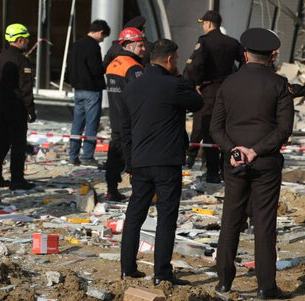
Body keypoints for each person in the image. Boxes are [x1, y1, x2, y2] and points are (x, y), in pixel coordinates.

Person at [210, 28, 293, 300]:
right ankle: (265, 286)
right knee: (264, 223)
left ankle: (224, 280)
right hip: (266, 162)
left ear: (245, 54)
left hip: (234, 162)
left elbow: (216, 128)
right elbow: (284, 130)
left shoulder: (228, 84)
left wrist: (234, 150)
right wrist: (255, 151)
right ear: (271, 56)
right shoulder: (279, 84)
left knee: (230, 219)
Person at [120, 39, 203, 285]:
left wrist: (130, 162)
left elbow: (125, 129)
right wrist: (181, 79)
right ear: (169, 59)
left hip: (140, 160)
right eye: (176, 60)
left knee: (134, 215)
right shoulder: (173, 84)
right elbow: (197, 102)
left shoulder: (132, 87)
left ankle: (127, 268)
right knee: (166, 217)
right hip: (167, 161)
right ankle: (162, 273)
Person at [184, 10, 244, 183]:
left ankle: (212, 172)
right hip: (229, 89)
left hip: (209, 90)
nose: (203, 26)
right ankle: (226, 169)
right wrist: (237, 78)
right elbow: (245, 59)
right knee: (227, 130)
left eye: (204, 23)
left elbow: (196, 65)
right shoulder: (233, 43)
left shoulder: (204, 42)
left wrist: (196, 82)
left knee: (210, 130)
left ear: (209, 24)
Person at [0, 23, 37, 190]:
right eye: (26, 39)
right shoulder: (22, 60)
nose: (28, 42)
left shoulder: (0, 57)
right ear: (19, 39)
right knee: (18, 143)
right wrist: (30, 109)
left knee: (1, 142)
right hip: (16, 107)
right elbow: (26, 88)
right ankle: (17, 179)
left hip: (1, 104)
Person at [104, 27, 146, 201]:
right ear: (128, 45)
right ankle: (139, 194)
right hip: (130, 120)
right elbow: (141, 96)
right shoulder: (134, 68)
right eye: (140, 45)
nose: (144, 49)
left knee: (114, 156)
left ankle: (111, 189)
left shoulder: (113, 64)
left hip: (115, 119)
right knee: (133, 158)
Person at [67, 19, 110, 166]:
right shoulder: (93, 46)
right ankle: (87, 157)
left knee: (77, 123)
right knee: (91, 124)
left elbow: (70, 67)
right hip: (92, 90)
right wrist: (106, 65)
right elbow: (96, 69)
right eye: (103, 37)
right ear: (100, 32)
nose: (102, 40)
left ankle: (73, 156)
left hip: (78, 90)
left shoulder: (76, 44)